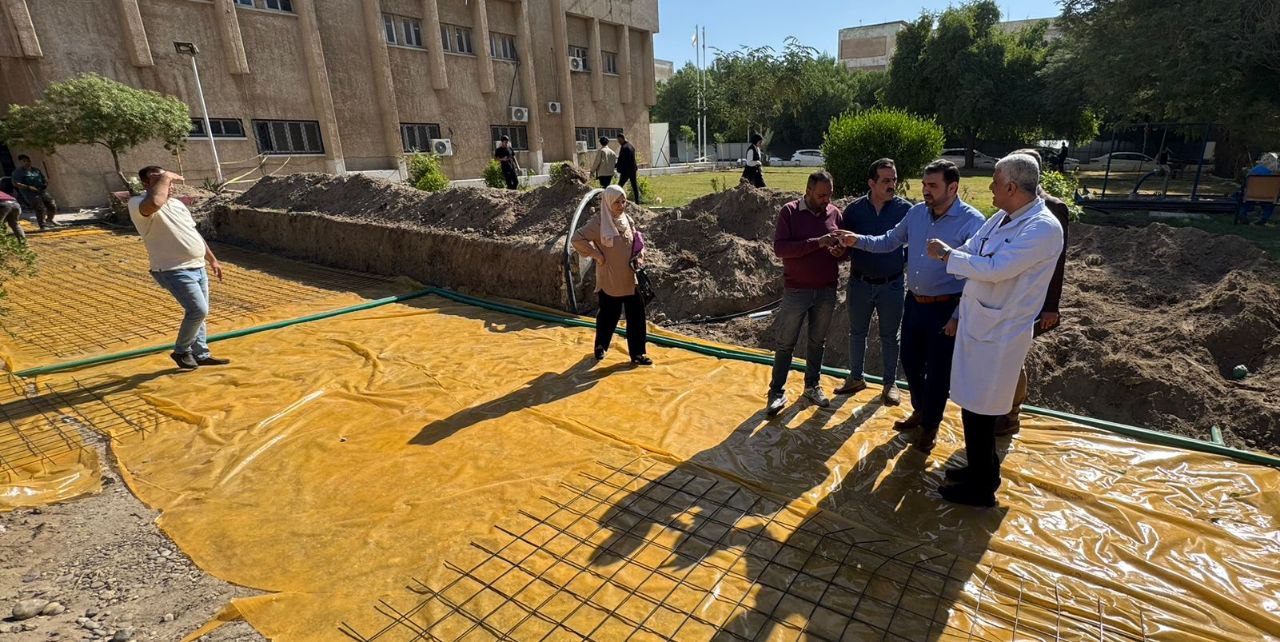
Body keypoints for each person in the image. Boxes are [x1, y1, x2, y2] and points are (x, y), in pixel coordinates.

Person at [925, 153, 1064, 507]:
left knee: (983, 409)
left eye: (995, 182)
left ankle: (982, 486)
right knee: (973, 404)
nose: (990, 188)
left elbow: (997, 268)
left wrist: (947, 257)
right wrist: (960, 257)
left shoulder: (1042, 228)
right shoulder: (1003, 217)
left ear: (1012, 187)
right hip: (981, 322)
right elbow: (975, 251)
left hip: (1001, 331)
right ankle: (978, 468)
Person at [835, 160, 985, 453]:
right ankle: (920, 410)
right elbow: (889, 241)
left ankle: (930, 427)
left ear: (952, 188)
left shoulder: (973, 222)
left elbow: (976, 274)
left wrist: (957, 315)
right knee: (911, 362)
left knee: (938, 371)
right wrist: (857, 240)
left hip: (946, 308)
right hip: (915, 302)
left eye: (933, 186)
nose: (925, 191)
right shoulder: (917, 214)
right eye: (924, 185)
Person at [998, 149, 1072, 436]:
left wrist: (1051, 306)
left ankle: (1011, 413)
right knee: (1004, 354)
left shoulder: (1052, 210)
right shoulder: (1011, 208)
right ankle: (1000, 408)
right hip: (1008, 296)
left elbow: (1058, 262)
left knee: (1014, 356)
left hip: (1034, 299)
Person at [129, 166, 231, 371]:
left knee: (200, 313)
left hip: (197, 265)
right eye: (159, 179)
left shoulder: (176, 204)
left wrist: (212, 259)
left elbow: (193, 233)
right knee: (197, 310)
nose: (168, 184)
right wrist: (165, 177)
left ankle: (201, 353)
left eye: (167, 179)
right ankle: (182, 351)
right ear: (146, 184)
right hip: (172, 269)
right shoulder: (138, 203)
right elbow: (155, 202)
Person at [766, 170, 845, 417]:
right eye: (822, 195)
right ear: (808, 191)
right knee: (785, 342)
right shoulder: (789, 212)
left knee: (817, 342)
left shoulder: (835, 213)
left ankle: (812, 385)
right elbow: (781, 249)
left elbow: (845, 250)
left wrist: (839, 252)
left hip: (826, 289)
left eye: (830, 194)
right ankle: (776, 392)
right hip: (797, 290)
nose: (826, 200)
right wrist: (817, 242)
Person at [835, 158, 911, 406]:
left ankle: (890, 384)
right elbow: (844, 247)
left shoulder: (906, 211)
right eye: (886, 180)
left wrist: (902, 265)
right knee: (857, 332)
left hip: (892, 284)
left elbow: (914, 245)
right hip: (860, 283)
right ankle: (856, 377)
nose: (892, 185)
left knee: (890, 336)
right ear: (871, 182)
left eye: (894, 179)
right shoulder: (854, 211)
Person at [570, 184, 652, 366]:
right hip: (610, 278)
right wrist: (596, 255)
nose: (621, 206)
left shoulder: (627, 219)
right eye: (617, 202)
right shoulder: (599, 223)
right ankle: (601, 346)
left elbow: (637, 242)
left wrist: (640, 255)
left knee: (637, 315)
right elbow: (577, 239)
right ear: (607, 203)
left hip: (631, 278)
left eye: (623, 201)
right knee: (609, 314)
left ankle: (638, 353)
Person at [11, 155, 57, 229]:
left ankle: (49, 220)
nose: (27, 162)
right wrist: (28, 187)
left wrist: (45, 183)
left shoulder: (36, 170)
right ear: (21, 162)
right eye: (24, 161)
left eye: (28, 161)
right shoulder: (18, 172)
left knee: (52, 205)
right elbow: (16, 183)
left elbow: (43, 178)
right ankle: (42, 225)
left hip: (41, 190)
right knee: (40, 208)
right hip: (30, 193)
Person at [1239, 152, 1278, 226]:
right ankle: (1264, 218)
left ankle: (1243, 213)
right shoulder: (1273, 173)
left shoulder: (1254, 170)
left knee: (1247, 201)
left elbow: (1245, 183)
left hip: (1251, 194)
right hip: (1268, 196)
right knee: (1270, 204)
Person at [615, 133, 640, 204]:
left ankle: (616, 200)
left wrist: (616, 166)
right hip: (632, 169)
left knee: (619, 186)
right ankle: (637, 201)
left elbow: (622, 160)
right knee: (634, 185)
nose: (619, 142)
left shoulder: (624, 147)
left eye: (619, 140)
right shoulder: (631, 146)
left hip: (626, 171)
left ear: (622, 139)